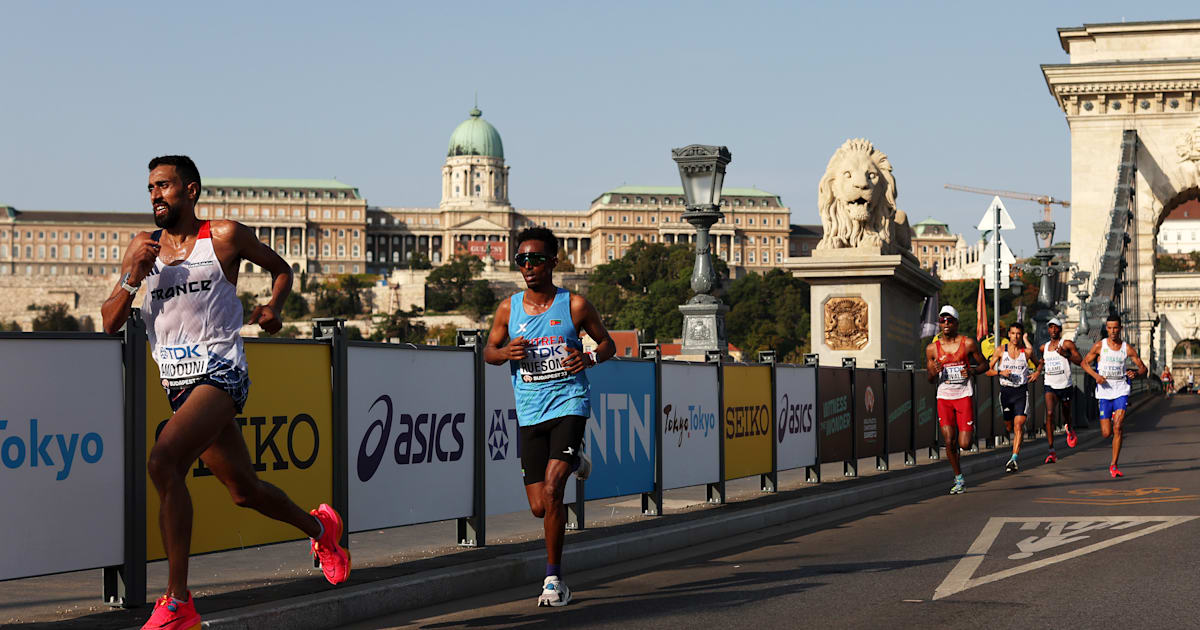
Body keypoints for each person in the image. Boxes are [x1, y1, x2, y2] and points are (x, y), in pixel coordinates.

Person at [101, 156, 350, 630]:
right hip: (179, 387)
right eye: (151, 187)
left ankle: (178, 603)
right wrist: (132, 273)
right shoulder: (142, 248)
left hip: (222, 373)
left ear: (191, 191)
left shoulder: (223, 236)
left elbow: (282, 270)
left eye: (166, 186)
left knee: (163, 462)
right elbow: (111, 321)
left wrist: (273, 307)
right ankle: (322, 528)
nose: (156, 195)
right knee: (244, 491)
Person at [483, 226, 615, 607]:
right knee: (540, 505)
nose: (528, 266)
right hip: (530, 412)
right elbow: (488, 352)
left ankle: (554, 579)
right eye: (522, 260)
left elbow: (607, 343)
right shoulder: (508, 309)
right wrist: (506, 352)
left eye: (536, 259)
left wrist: (588, 356)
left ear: (553, 262)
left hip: (569, 404)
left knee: (555, 491)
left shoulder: (574, 305)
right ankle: (574, 460)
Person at [925, 305, 988, 494]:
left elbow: (984, 364)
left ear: (956, 323)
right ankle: (959, 477)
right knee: (949, 440)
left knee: (965, 444)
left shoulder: (967, 344)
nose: (945, 323)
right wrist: (933, 372)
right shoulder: (932, 349)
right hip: (944, 397)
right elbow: (929, 379)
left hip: (963, 396)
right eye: (942, 320)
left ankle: (969, 430)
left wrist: (972, 371)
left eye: (949, 320)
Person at [1080, 314, 1147, 478]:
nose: (1112, 331)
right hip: (1104, 392)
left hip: (1121, 389)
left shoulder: (1127, 348)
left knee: (1118, 426)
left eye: (1115, 328)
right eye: (1109, 328)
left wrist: (1136, 373)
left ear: (1120, 329)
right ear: (1106, 329)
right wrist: (1096, 376)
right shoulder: (1099, 346)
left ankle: (1114, 465)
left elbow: (1144, 368)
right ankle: (1111, 418)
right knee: (1105, 433)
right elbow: (1084, 363)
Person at [988, 322, 1040, 473]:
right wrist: (1000, 373)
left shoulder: (1027, 353)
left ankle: (1014, 458)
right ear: (1008, 335)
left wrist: (1037, 373)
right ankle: (1016, 430)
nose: (1015, 336)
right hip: (1005, 393)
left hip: (1021, 393)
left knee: (1018, 425)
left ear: (1021, 335)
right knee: (1009, 426)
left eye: (1018, 334)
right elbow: (988, 370)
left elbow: (1039, 364)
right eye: (1012, 333)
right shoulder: (1000, 351)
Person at [1039, 318, 1083, 460]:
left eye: (1055, 327)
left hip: (1065, 385)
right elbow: (1041, 362)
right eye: (1050, 327)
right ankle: (1051, 450)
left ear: (1060, 329)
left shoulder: (1067, 344)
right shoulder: (1043, 347)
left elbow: (1079, 360)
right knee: (1050, 413)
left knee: (1066, 412)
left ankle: (1069, 428)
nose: (1053, 330)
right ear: (1048, 330)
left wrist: (1067, 355)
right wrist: (1036, 370)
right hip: (1050, 384)